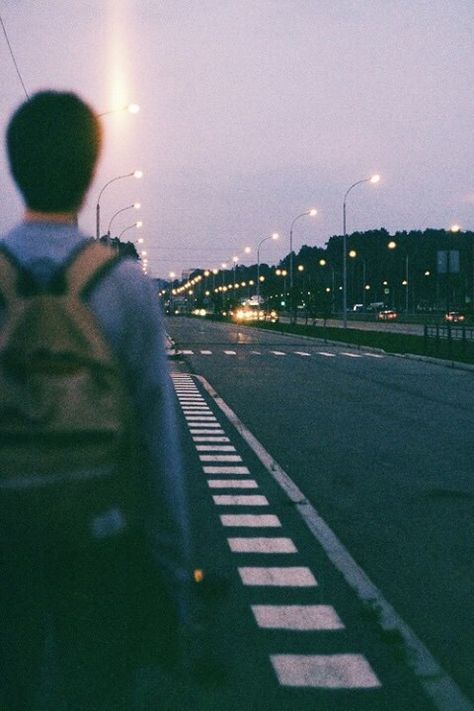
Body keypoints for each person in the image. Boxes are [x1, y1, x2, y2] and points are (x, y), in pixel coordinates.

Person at [0, 90, 191, 710]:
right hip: (100, 537)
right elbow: (158, 448)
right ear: (89, 175)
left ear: (15, 166)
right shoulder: (126, 288)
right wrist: (172, 579)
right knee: (97, 686)